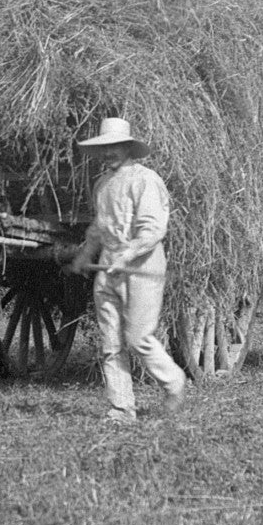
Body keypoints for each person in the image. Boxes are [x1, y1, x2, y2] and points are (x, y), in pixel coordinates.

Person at [65, 118, 186, 423]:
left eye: (115, 147)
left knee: (137, 337)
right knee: (110, 342)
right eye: (104, 148)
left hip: (142, 266)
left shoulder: (145, 180)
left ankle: (174, 382)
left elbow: (153, 229)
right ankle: (121, 408)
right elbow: (98, 228)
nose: (109, 153)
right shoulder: (102, 184)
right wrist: (85, 255)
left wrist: (127, 255)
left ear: (128, 147)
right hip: (107, 267)